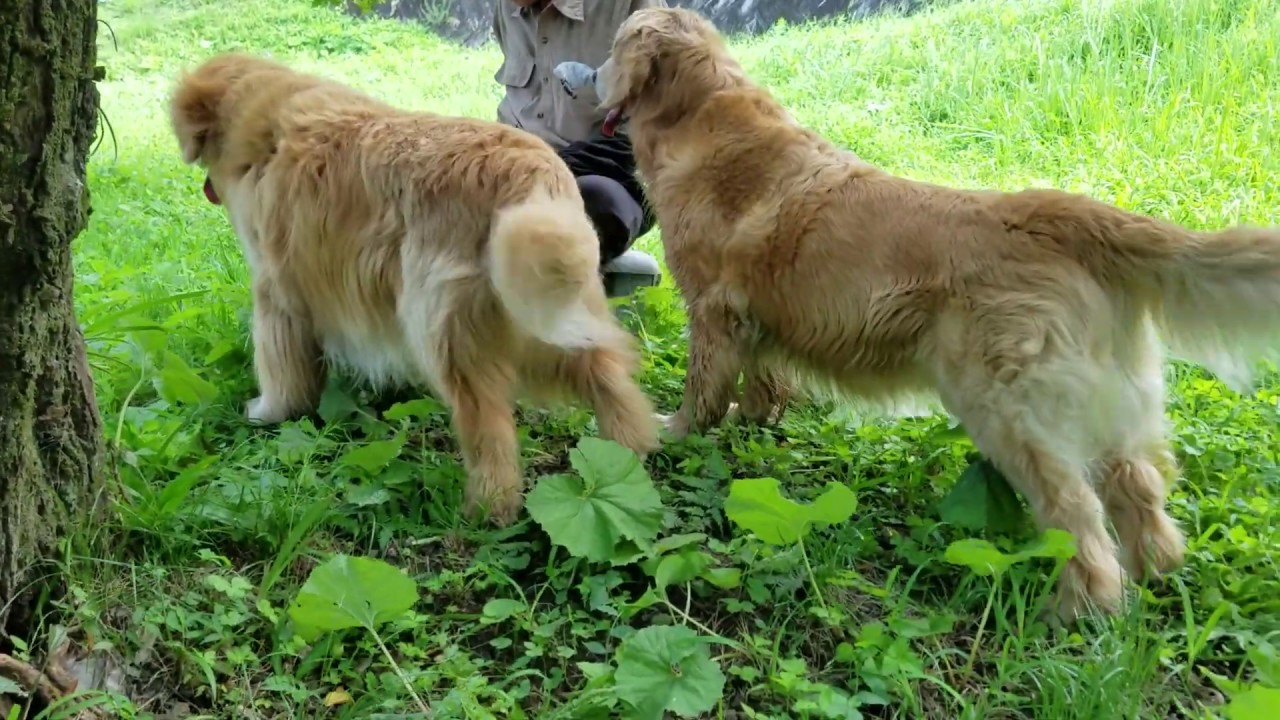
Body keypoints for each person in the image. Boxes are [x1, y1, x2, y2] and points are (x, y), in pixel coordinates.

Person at [492, 0, 666, 298]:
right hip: (516, 166)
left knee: (593, 205)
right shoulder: (505, 8)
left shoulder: (631, 8)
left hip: (609, 171)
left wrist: (547, 173)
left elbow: (657, 124)